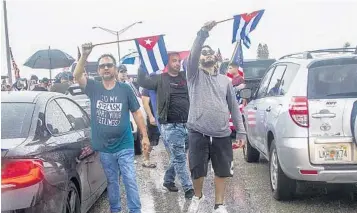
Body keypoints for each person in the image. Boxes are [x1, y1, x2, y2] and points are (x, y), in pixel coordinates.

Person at [73, 43, 150, 213]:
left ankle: (135, 210)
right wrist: (84, 55)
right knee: (112, 181)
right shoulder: (93, 87)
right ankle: (115, 210)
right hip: (105, 148)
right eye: (102, 66)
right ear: (98, 70)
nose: (106, 68)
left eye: (109, 65)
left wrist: (144, 136)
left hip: (124, 144)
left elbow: (137, 113)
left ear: (115, 69)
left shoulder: (125, 89)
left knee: (130, 179)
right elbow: (77, 74)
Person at [186, 21, 247, 213]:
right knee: (198, 169)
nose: (206, 55)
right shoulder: (193, 75)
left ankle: (219, 204)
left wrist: (241, 132)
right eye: (203, 53)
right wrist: (203, 33)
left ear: (216, 58)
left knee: (222, 170)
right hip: (198, 131)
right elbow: (193, 53)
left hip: (221, 133)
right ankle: (198, 196)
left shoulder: (225, 81)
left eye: (209, 52)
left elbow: (234, 107)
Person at [137, 52, 194, 199]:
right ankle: (188, 188)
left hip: (187, 124)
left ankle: (168, 180)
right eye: (174, 61)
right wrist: (143, 62)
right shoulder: (159, 79)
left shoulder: (185, 77)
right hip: (170, 125)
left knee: (177, 155)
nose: (177, 63)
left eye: (179, 60)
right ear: (167, 63)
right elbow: (142, 81)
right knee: (180, 157)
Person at [140, 88, 160, 168]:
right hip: (153, 119)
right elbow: (145, 103)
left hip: (162, 117)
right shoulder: (147, 87)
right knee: (150, 140)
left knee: (155, 140)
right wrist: (151, 116)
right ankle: (146, 160)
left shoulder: (160, 83)